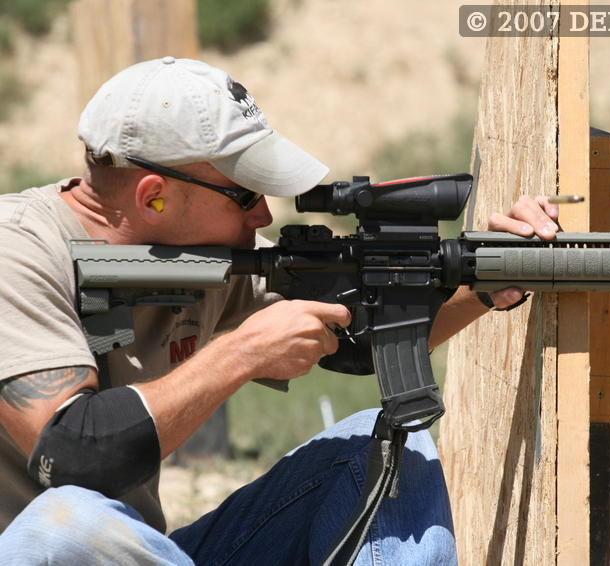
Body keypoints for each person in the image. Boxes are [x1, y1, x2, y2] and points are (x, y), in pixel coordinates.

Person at [0, 57, 561, 565]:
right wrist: (240, 353)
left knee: (386, 439)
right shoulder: (17, 251)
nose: (263, 216)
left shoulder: (208, 260)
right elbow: (72, 455)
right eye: (244, 194)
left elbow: (362, 329)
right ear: (153, 197)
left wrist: (484, 277)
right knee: (66, 523)